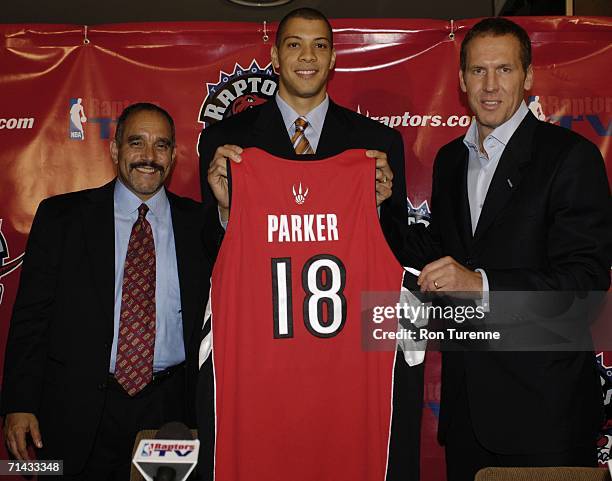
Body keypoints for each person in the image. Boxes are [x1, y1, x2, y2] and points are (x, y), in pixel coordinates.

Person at [198, 7, 423, 481]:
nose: (308, 55)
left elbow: (397, 256)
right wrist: (225, 211)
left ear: (334, 58)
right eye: (295, 44)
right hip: (262, 361)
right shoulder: (226, 141)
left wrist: (377, 208)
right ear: (276, 58)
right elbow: (209, 257)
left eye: (320, 45)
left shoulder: (376, 143)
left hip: (344, 366)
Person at [411, 17, 610, 481]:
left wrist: (480, 286)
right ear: (460, 81)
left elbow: (584, 287)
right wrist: (372, 202)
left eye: (504, 70)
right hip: (466, 419)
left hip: (545, 417)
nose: (490, 85)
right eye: (478, 71)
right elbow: (439, 249)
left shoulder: (570, 157)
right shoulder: (449, 160)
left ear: (529, 76)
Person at [1, 103, 210, 480]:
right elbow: (31, 319)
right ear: (114, 150)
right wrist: (18, 403)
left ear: (174, 157)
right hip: (75, 406)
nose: (149, 156)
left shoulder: (201, 226)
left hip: (169, 410)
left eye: (161, 145)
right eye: (136, 143)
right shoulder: (61, 218)